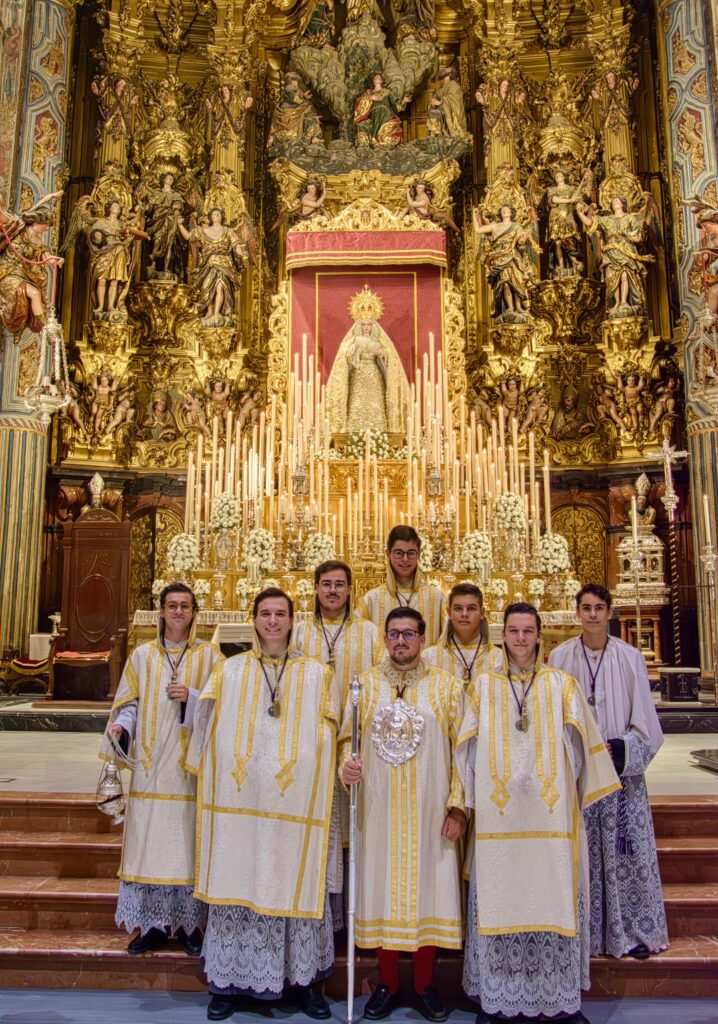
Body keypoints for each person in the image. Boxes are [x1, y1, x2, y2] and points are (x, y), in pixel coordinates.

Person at [457, 602, 621, 1024]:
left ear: (539, 636)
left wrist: (565, 786)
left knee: (553, 900)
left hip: (550, 821)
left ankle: (556, 997)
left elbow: (582, 745)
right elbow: (465, 751)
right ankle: (498, 997)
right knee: (500, 899)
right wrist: (465, 801)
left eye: (528, 631)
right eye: (513, 631)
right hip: (499, 821)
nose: (520, 639)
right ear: (503, 636)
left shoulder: (561, 685)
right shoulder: (483, 686)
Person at [187, 588, 339, 1021]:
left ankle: (303, 982)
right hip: (240, 801)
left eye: (280, 614)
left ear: (293, 621)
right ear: (253, 620)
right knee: (237, 879)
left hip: (294, 804)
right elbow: (205, 724)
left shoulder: (316, 674)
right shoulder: (229, 669)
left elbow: (332, 730)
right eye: (265, 614)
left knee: (294, 879)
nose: (273, 621)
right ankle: (227, 983)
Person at [340, 608, 466, 1022]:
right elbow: (347, 739)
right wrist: (346, 767)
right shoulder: (363, 686)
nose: (400, 641)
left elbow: (464, 753)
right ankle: (388, 983)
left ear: (423, 638)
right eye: (393, 634)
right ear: (384, 639)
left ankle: (425, 984)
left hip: (430, 812)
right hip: (378, 810)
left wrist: (458, 807)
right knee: (381, 890)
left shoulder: (447, 687)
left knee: (428, 891)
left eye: (408, 634)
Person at [100, 583, 222, 957]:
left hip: (189, 770)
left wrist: (193, 698)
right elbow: (130, 704)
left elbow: (222, 707)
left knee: (185, 846)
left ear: (195, 612)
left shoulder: (210, 656)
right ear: (161, 612)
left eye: (185, 606)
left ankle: (189, 926)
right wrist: (122, 728)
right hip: (151, 768)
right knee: (148, 844)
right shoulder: (142, 656)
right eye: (172, 606)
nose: (178, 612)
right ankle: (152, 926)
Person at [548, 583, 668, 961]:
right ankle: (583, 934)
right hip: (578, 773)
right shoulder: (559, 658)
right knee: (581, 855)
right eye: (586, 608)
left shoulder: (630, 657)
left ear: (610, 612)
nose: (593, 615)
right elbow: (551, 717)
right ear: (577, 612)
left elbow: (646, 722)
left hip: (619, 775)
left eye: (599, 608)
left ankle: (630, 931)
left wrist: (620, 749)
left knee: (625, 855)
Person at [293, 560, 382, 926]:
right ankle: (320, 917)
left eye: (339, 585)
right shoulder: (299, 631)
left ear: (350, 590)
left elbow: (380, 681)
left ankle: (353, 917)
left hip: (357, 740)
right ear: (315, 588)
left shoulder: (370, 632)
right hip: (310, 741)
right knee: (318, 823)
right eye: (326, 584)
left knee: (353, 825)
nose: (332, 591)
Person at [357, 525, 444, 645]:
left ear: (419, 554)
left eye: (411, 553)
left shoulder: (437, 598)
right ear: (388, 554)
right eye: (399, 553)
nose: (405, 559)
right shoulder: (371, 600)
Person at [423, 583, 496, 685]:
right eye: (458, 608)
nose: (464, 614)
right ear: (449, 613)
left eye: (471, 608)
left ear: (482, 613)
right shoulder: (429, 657)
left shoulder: (499, 659)